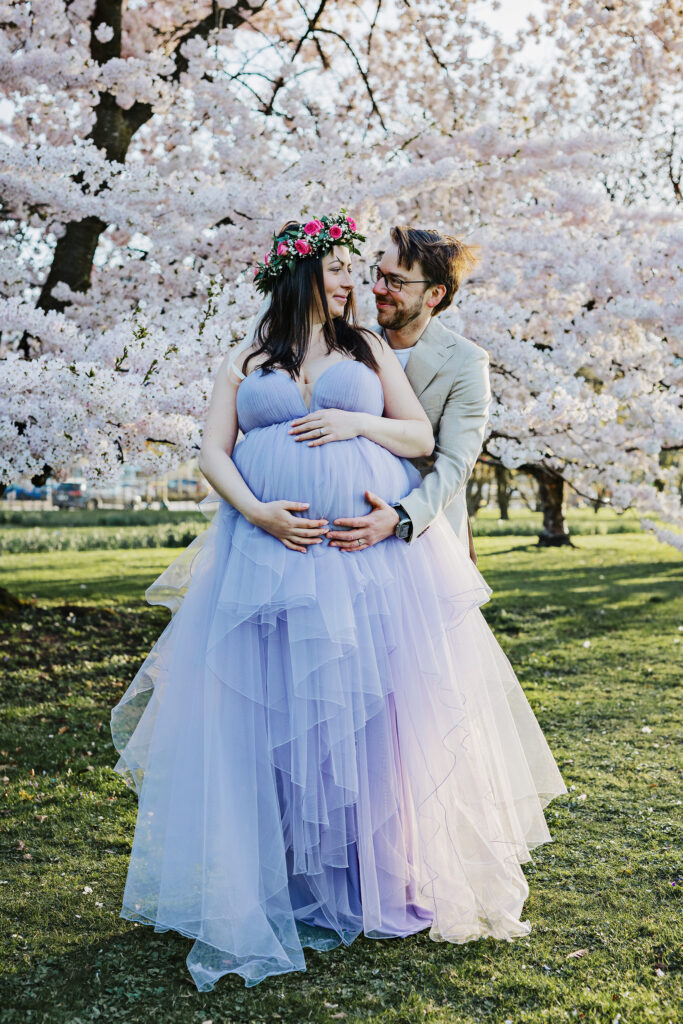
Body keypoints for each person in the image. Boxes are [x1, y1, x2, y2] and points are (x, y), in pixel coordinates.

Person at [110, 212, 567, 994]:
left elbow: (426, 440)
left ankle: (375, 874)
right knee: (277, 719)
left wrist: (357, 431)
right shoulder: (248, 355)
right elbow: (211, 450)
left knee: (372, 719)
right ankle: (283, 878)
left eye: (374, 275)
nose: (360, 284)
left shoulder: (369, 349)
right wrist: (257, 511)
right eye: (343, 272)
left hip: (370, 560)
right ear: (300, 276)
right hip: (266, 558)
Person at [324, 226, 489, 563]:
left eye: (395, 282)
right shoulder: (347, 347)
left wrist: (399, 517)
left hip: (423, 539)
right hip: (348, 535)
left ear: (434, 295)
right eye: (379, 275)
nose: (377, 289)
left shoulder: (466, 361)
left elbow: (454, 464)